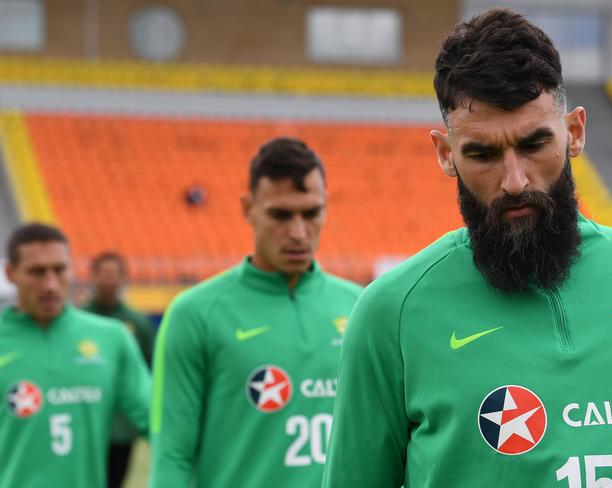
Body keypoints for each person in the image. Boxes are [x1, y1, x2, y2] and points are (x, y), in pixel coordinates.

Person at [323, 8, 612, 487]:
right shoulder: (390, 314)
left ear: (574, 133)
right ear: (445, 154)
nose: (514, 182)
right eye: (482, 154)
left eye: (535, 144)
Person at [149, 137, 362, 487]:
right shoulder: (195, 314)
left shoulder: (360, 306)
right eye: (280, 214)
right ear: (248, 208)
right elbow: (172, 453)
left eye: (311, 213)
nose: (298, 232)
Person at [0, 223, 150, 488]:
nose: (50, 284)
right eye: (37, 272)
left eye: (59, 270)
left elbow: (156, 421)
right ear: (11, 273)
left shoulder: (112, 337)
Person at [84, 251, 155, 488]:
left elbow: (149, 372)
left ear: (123, 278)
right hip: (85, 421)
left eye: (113, 275)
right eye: (103, 275)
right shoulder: (78, 319)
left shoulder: (137, 323)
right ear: (92, 277)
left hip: (123, 427)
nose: (108, 282)